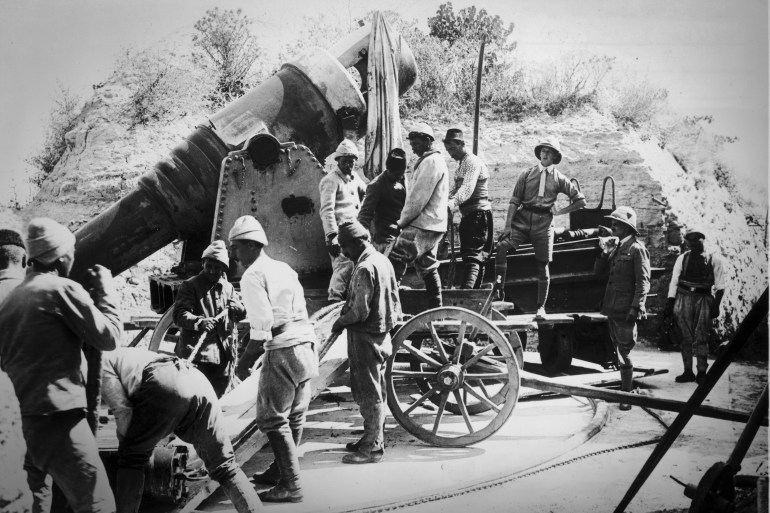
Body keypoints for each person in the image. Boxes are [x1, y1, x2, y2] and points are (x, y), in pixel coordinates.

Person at [0, 218, 121, 513]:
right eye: (72, 252)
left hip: (23, 422)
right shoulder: (61, 289)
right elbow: (109, 337)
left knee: (37, 498)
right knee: (98, 505)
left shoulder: (12, 299)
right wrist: (106, 292)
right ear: (61, 255)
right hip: (59, 420)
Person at [100, 347, 261, 513]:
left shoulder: (99, 360)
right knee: (225, 466)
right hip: (196, 381)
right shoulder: (122, 353)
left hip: (168, 383)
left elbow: (123, 411)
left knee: (131, 458)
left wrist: (128, 443)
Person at [229, 215, 318, 503]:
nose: (234, 255)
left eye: (237, 248)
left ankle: (291, 485)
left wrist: (243, 363)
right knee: (294, 414)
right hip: (306, 344)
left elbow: (262, 326)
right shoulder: (284, 268)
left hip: (283, 349)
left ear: (252, 245)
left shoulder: (253, 276)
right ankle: (280, 471)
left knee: (272, 418)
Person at [331, 220, 400, 464]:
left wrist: (340, 322)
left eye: (345, 246)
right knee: (377, 391)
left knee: (368, 394)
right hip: (382, 335)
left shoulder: (364, 268)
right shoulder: (382, 260)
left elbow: (358, 313)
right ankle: (371, 437)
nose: (343, 252)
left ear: (358, 242)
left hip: (364, 337)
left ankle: (372, 449)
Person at [495, 139, 586, 318]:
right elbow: (514, 201)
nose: (545, 154)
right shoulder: (527, 174)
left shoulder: (559, 178)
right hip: (521, 221)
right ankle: (499, 292)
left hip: (544, 223)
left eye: (549, 152)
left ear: (554, 157)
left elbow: (580, 201)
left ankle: (540, 307)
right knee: (501, 247)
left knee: (543, 264)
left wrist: (560, 212)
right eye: (543, 151)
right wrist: (508, 225)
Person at [594, 207, 650, 410]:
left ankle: (627, 394)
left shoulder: (637, 249)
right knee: (617, 348)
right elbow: (598, 272)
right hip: (612, 306)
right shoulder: (616, 247)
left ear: (627, 228)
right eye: (613, 223)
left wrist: (636, 307)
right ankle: (625, 386)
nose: (612, 226)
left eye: (616, 223)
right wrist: (604, 251)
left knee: (624, 350)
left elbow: (643, 282)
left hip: (626, 308)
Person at [173, 240, 246, 397]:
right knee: (196, 398)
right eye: (209, 266)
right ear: (203, 263)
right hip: (198, 355)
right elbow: (179, 314)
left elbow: (239, 314)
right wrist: (200, 322)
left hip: (223, 356)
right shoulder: (190, 286)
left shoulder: (228, 288)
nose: (212, 271)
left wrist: (239, 309)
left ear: (223, 269)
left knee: (219, 398)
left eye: (217, 268)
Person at [388, 122, 449, 309]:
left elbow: (417, 200)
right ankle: (436, 309)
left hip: (424, 223)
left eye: (416, 143)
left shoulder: (431, 162)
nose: (413, 147)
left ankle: (390, 303)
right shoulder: (431, 161)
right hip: (434, 223)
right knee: (426, 264)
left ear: (427, 140)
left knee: (395, 257)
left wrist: (400, 223)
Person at [664, 227, 725, 385]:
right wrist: (671, 302)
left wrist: (716, 306)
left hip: (703, 299)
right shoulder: (682, 258)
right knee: (685, 336)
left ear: (702, 238)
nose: (693, 242)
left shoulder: (713, 259)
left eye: (696, 238)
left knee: (701, 336)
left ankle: (702, 372)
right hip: (683, 298)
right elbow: (675, 281)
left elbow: (720, 286)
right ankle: (688, 371)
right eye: (690, 239)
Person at [443, 128, 493, 289]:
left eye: (452, 148)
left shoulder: (472, 162)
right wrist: (444, 202)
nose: (450, 153)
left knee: (474, 257)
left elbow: (467, 188)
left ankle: (467, 293)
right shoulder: (461, 165)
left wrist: (451, 203)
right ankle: (473, 294)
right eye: (448, 149)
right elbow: (452, 190)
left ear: (462, 144)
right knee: (472, 256)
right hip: (470, 215)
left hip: (479, 215)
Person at [319, 139, 367, 301]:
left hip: (354, 233)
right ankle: (334, 301)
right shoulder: (331, 181)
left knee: (354, 267)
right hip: (340, 235)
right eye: (345, 161)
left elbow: (366, 192)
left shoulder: (354, 178)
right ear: (338, 160)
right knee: (342, 268)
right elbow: (327, 209)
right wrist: (331, 236)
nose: (349, 165)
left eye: (352, 162)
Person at [357, 148, 407, 255]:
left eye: (402, 174)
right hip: (385, 242)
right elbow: (364, 215)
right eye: (397, 174)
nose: (400, 177)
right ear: (389, 169)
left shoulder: (402, 180)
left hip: (400, 238)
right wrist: (363, 238)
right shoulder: (376, 185)